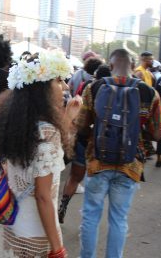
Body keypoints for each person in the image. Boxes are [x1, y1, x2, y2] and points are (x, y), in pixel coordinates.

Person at [0, 50, 82, 258]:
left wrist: (67, 117)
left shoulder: (17, 121)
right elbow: (43, 196)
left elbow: (45, 157)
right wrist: (58, 249)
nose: (66, 86)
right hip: (35, 235)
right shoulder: (47, 132)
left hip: (11, 226)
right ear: (42, 89)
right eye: (59, 80)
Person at [78, 49, 161, 258]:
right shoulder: (149, 93)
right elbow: (158, 132)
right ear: (134, 66)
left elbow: (81, 125)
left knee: (90, 216)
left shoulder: (94, 88)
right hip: (130, 164)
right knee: (118, 218)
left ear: (111, 64)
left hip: (98, 161)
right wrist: (136, 128)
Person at [58, 64, 111, 224]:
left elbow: (80, 120)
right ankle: (89, 217)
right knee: (95, 182)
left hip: (83, 140)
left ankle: (63, 205)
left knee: (75, 177)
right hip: (101, 146)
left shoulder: (90, 87)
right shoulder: (114, 92)